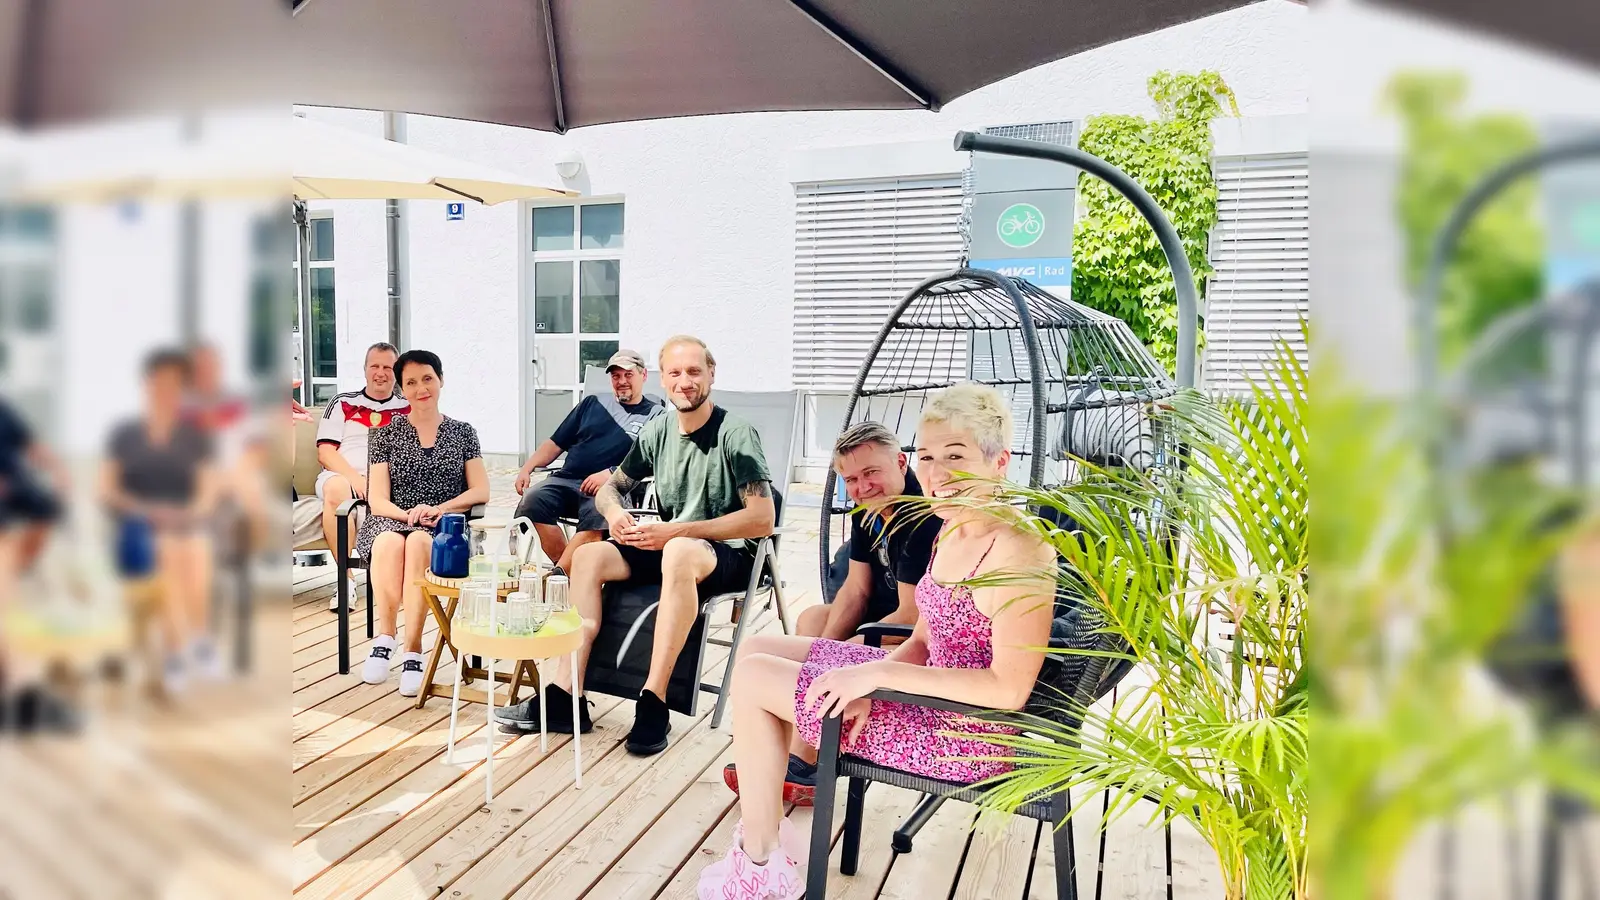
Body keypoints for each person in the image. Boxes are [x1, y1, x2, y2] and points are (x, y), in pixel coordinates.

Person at [700, 383, 1055, 899]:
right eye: (929, 457)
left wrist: (879, 674)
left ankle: (760, 864)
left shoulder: (1019, 550)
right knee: (756, 650)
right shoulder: (951, 528)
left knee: (754, 679)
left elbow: (1009, 690)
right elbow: (923, 636)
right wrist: (874, 674)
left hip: (966, 735)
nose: (936, 475)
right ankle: (771, 836)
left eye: (955, 456)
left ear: (999, 461)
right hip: (915, 698)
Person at [495, 335, 774, 756]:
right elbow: (611, 488)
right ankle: (565, 694)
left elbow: (762, 518)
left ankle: (654, 701)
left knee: (678, 550)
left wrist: (677, 532)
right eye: (676, 373)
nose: (685, 382)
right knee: (588, 556)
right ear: (663, 380)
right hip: (670, 545)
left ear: (711, 375)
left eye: (694, 372)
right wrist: (614, 515)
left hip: (728, 552)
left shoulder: (736, 434)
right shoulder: (658, 429)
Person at [747, 420, 941, 803]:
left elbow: (910, 615)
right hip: (882, 619)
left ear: (901, 463)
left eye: (872, 472)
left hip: (915, 639)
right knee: (812, 620)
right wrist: (824, 647)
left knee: (826, 649)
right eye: (851, 479)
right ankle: (801, 740)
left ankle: (807, 760)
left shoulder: (924, 519)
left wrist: (838, 652)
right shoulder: (867, 513)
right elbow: (854, 591)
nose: (862, 487)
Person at [356, 349, 489, 697]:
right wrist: (408, 514)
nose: (420, 388)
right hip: (390, 519)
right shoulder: (384, 434)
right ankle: (386, 637)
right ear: (402, 389)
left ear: (441, 380)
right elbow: (378, 499)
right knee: (390, 541)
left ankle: (413, 650)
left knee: (417, 542)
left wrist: (437, 509)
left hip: (442, 527)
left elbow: (481, 489)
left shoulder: (462, 432)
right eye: (411, 382)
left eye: (427, 378)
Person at [100, 349, 221, 696]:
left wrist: (191, 513)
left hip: (187, 523)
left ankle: (195, 641)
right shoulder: (124, 433)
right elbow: (107, 489)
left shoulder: (193, 435)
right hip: (138, 524)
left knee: (193, 550)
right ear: (145, 384)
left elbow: (207, 490)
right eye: (159, 382)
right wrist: (146, 509)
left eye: (173, 384)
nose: (165, 390)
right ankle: (177, 652)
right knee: (168, 550)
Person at [511, 349, 663, 571]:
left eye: (628, 375)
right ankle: (568, 574)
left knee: (600, 511)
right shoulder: (592, 404)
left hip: (613, 488)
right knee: (532, 501)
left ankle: (558, 578)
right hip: (568, 480)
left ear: (644, 376)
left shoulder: (656, 415)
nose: (622, 381)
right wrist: (527, 467)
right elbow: (555, 443)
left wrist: (612, 473)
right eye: (616, 376)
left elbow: (651, 460)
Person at [316, 342, 409, 609]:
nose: (380, 373)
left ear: (397, 372)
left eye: (388, 367)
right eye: (375, 366)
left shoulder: (408, 408)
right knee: (336, 490)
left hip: (387, 482)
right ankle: (345, 581)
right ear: (365, 369)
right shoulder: (342, 402)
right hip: (343, 475)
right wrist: (355, 480)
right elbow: (325, 452)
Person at [0, 394, 68, 575]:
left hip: (13, 479)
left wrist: (58, 470)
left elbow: (31, 444)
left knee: (47, 508)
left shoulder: (4, 409)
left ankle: (18, 567)